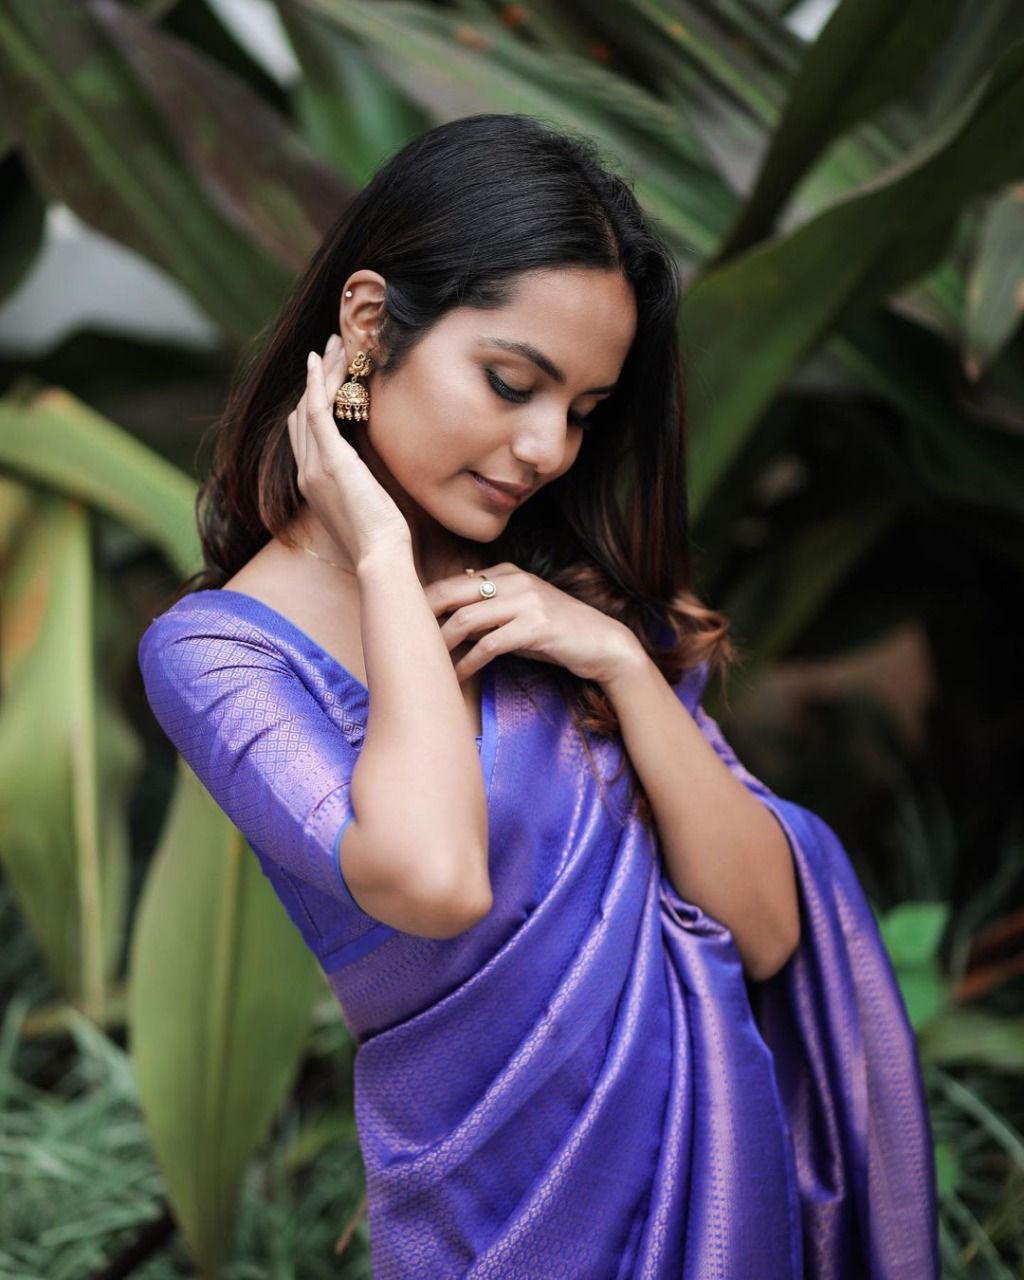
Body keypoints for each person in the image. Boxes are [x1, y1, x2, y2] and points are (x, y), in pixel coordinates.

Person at [137, 113, 938, 1278]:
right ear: (368, 324)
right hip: (496, 1209)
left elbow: (767, 926)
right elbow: (434, 876)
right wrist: (374, 554)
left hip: (717, 1195)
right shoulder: (219, 656)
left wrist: (619, 662)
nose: (546, 447)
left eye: (581, 409)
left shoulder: (562, 598)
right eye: (512, 381)